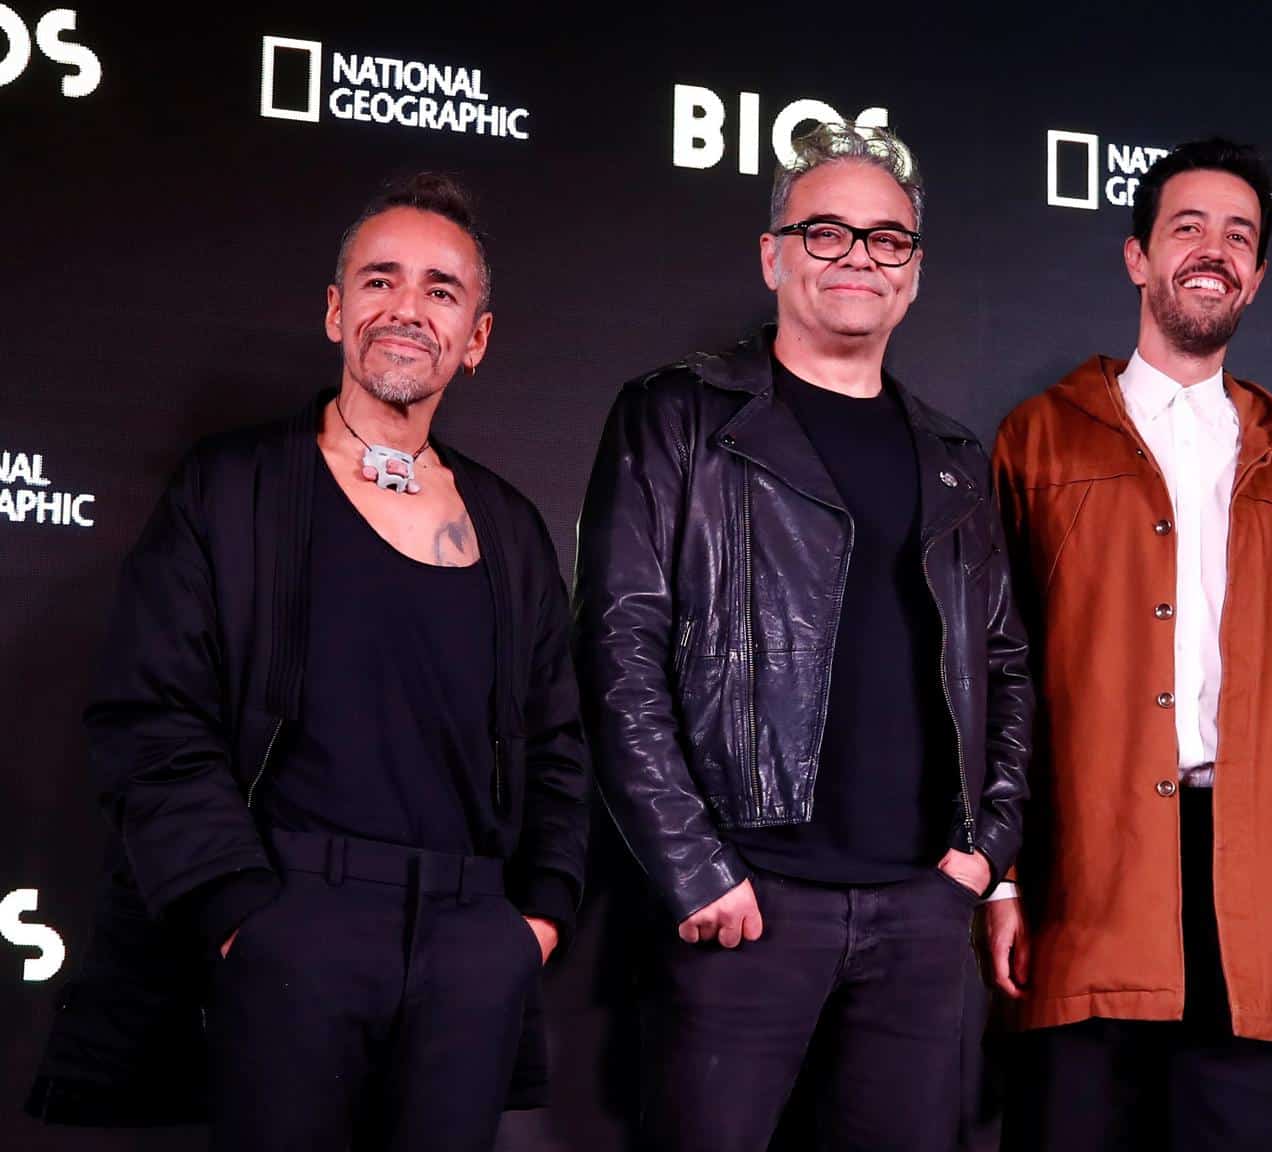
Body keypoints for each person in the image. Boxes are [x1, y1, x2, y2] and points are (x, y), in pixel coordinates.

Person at [29, 173, 591, 1150]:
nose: (407, 308)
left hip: (473, 942)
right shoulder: (231, 490)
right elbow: (150, 716)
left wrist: (533, 920)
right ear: (336, 311)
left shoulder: (510, 528)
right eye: (380, 280)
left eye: (441, 290)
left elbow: (560, 749)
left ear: (476, 338)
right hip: (287, 922)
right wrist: (240, 913)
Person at [573, 122, 1033, 1152]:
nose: (858, 257)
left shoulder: (956, 458)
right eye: (826, 232)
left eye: (887, 238)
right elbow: (618, 650)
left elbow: (1004, 665)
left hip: (918, 911)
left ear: (914, 272)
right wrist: (695, 866)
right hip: (745, 899)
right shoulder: (677, 416)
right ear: (772, 255)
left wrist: (983, 849)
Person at [988, 138, 1272, 1152]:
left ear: (1259, 273)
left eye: (1238, 236)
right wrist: (1004, 876)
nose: (1214, 251)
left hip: (1255, 890)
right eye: (1188, 228)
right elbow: (994, 677)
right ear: (1137, 256)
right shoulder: (1037, 437)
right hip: (1084, 879)